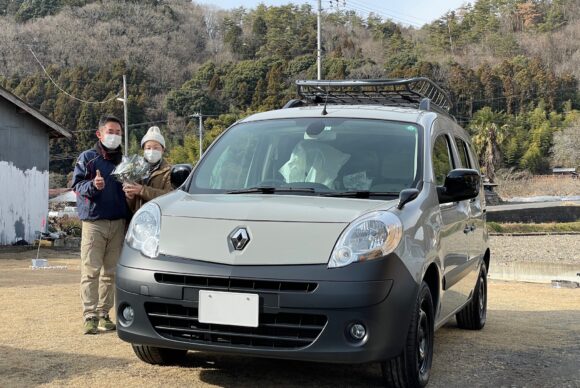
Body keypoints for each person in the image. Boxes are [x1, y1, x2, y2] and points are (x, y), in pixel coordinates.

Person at [71, 115, 129, 335]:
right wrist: (94, 185)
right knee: (91, 271)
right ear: (99, 134)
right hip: (94, 222)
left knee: (111, 273)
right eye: (110, 131)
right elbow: (77, 186)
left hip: (118, 222)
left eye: (118, 132)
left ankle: (104, 314)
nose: (114, 136)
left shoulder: (125, 162)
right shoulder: (88, 158)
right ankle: (90, 316)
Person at [123, 126, 173, 213]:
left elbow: (170, 197)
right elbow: (131, 205)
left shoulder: (169, 171)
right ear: (143, 150)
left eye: (156, 148)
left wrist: (142, 190)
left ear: (163, 150)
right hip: (139, 218)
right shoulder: (135, 169)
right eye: (148, 148)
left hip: (160, 217)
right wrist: (129, 196)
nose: (152, 151)